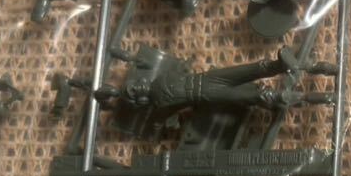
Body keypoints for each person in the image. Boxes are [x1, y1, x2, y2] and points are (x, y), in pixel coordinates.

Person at [116, 47, 336, 119]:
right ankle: (316, 98)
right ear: (138, 98)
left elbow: (180, 68)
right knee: (257, 95)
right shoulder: (159, 103)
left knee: (253, 68)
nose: (137, 87)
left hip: (205, 78)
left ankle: (282, 65)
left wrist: (187, 63)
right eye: (133, 91)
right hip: (206, 95)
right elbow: (175, 112)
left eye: (134, 84)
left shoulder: (161, 78)